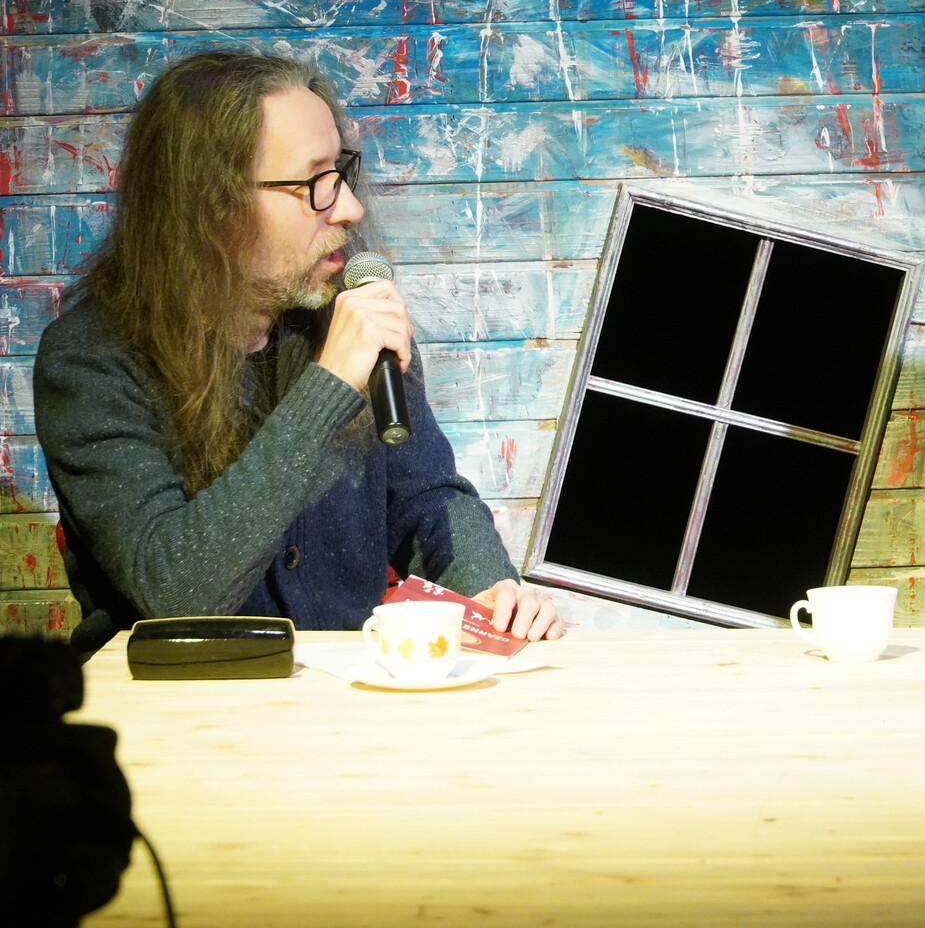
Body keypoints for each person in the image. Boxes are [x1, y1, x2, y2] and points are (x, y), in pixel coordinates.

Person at [34, 51, 564, 655]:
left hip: (333, 688)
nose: (350, 207)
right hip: (173, 695)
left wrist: (489, 586)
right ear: (212, 205)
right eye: (315, 184)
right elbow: (174, 591)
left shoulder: (347, 318)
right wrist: (330, 384)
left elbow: (425, 496)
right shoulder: (91, 360)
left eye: (340, 172)